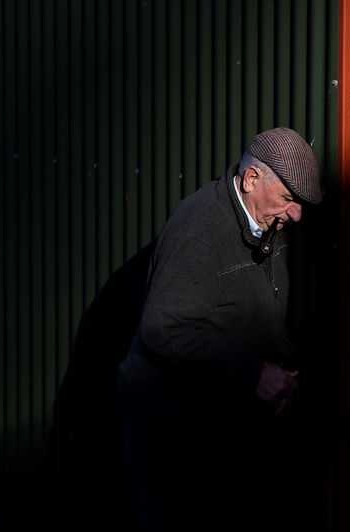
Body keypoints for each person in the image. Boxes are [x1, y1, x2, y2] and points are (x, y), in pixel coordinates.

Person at [118, 127, 322, 531]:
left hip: (216, 415)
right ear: (251, 180)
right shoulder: (198, 227)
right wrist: (253, 375)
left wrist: (278, 373)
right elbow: (164, 329)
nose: (296, 213)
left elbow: (259, 306)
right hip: (167, 425)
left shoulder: (269, 220)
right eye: (288, 199)